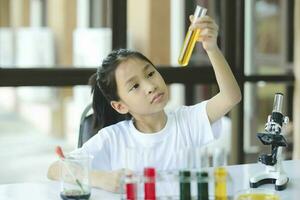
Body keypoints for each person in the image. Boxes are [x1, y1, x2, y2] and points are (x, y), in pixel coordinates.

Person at [47, 15, 241, 193]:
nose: (150, 86)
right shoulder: (113, 139)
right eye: (135, 86)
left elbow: (231, 97)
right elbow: (55, 169)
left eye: (150, 74)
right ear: (120, 106)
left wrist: (211, 49)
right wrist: (101, 178)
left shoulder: (187, 122)